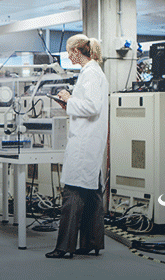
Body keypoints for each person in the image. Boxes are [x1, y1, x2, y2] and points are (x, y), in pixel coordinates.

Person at [45, 34, 108, 259]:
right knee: (92, 194)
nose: (68, 57)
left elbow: (91, 107)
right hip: (90, 141)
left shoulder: (90, 73)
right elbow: (90, 105)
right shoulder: (93, 72)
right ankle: (92, 242)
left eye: (68, 53)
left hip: (84, 143)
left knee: (72, 194)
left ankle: (64, 247)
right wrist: (70, 103)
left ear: (76, 51)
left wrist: (68, 99)